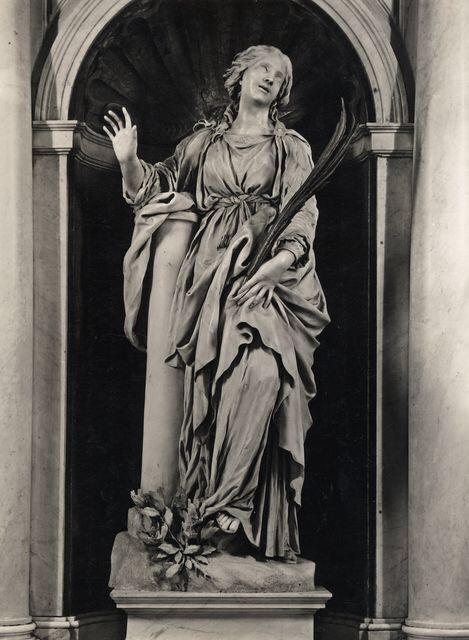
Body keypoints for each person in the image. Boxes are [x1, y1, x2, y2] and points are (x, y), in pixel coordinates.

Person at [104, 45, 329, 561]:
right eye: (263, 68)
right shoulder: (202, 144)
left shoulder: (291, 147)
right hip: (208, 277)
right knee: (211, 383)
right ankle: (209, 510)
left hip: (266, 269)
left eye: (280, 76)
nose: (270, 78)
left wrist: (278, 264)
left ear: (283, 92)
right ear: (240, 75)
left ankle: (233, 501)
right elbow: (155, 189)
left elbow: (303, 211)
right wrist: (128, 161)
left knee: (266, 373)